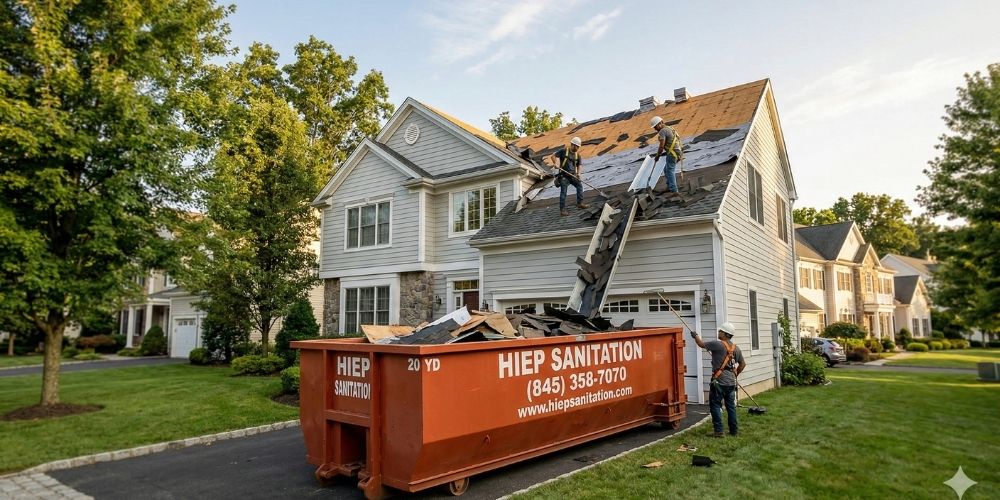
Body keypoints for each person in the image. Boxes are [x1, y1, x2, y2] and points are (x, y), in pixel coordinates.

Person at [690, 322, 746, 437]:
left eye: (720, 331)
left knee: (715, 405)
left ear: (725, 334)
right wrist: (736, 374)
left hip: (718, 382)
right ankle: (734, 430)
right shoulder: (736, 348)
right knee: (731, 406)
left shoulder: (717, 344)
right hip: (731, 382)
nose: (718, 332)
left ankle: (719, 431)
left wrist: (695, 335)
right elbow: (743, 364)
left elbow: (701, 344)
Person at [552, 137, 589, 216]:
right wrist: (556, 163)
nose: (576, 148)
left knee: (579, 186)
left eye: (578, 147)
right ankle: (562, 210)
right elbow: (553, 156)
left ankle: (580, 203)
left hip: (572, 175)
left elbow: (579, 165)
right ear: (572, 144)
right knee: (564, 192)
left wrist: (579, 174)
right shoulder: (563, 151)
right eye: (575, 146)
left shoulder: (577, 155)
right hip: (564, 175)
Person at [650, 116, 683, 193]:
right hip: (678, 152)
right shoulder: (670, 128)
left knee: (670, 171)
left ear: (660, 123)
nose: (655, 129)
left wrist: (657, 156)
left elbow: (661, 146)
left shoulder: (662, 131)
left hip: (672, 153)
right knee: (666, 169)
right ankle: (669, 186)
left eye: (655, 126)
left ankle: (674, 191)